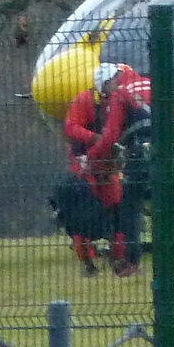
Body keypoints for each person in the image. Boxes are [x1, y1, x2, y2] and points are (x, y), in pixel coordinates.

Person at [55, 62, 146, 278]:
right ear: (105, 84)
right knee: (82, 212)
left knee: (118, 211)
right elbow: (71, 127)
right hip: (84, 165)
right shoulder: (85, 100)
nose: (120, 83)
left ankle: (120, 261)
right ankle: (88, 264)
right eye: (116, 80)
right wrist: (96, 140)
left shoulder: (121, 100)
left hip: (108, 166)